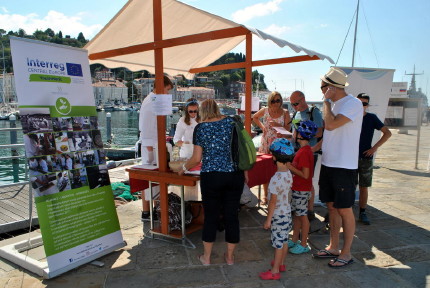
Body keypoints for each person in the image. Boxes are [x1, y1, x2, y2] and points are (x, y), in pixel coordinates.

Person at [178, 99, 245, 266]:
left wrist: (183, 168)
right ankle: (230, 257)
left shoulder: (201, 128)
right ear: (217, 108)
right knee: (231, 216)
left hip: (211, 176)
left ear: (201, 112)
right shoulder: (231, 122)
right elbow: (240, 149)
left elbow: (196, 158)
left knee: (211, 217)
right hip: (233, 175)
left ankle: (206, 258)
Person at [313, 67, 363, 268]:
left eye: (322, 87)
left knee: (344, 209)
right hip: (329, 163)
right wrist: (315, 148)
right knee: (332, 207)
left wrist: (325, 102)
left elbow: (332, 125)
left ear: (331, 88)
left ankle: (347, 252)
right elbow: (330, 133)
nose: (321, 90)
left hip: (344, 166)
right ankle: (333, 246)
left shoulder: (353, 103)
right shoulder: (334, 104)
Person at [259, 138, 294, 280]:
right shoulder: (288, 174)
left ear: (274, 157)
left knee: (278, 244)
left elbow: (272, 202)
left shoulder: (275, 178)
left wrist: (268, 220)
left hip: (278, 216)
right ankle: (281, 264)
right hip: (286, 213)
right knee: (284, 240)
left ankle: (274, 271)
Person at [139, 76, 173, 221]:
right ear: (160, 87)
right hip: (150, 146)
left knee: (153, 182)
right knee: (150, 181)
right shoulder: (151, 101)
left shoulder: (153, 100)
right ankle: (148, 212)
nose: (168, 93)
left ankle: (152, 211)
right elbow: (145, 127)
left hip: (153, 144)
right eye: (167, 89)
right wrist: (151, 150)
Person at [356, 93, 392, 225]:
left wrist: (374, 148)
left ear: (367, 105)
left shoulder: (371, 118)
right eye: (359, 103)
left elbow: (387, 133)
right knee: (348, 186)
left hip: (365, 158)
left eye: (364, 104)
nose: (361, 106)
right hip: (349, 158)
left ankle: (362, 212)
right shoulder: (350, 117)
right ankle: (344, 211)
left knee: (364, 186)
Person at [289, 90, 324, 220]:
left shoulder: (314, 112)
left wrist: (304, 133)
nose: (294, 106)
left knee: (307, 180)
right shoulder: (296, 113)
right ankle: (297, 207)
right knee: (297, 179)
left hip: (309, 151)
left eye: (296, 103)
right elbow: (294, 134)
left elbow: (320, 132)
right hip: (296, 150)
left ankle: (310, 210)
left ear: (303, 99)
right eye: (292, 104)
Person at [252, 91, 291, 204]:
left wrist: (279, 127)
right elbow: (255, 117)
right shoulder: (265, 110)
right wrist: (263, 127)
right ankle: (266, 196)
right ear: (270, 101)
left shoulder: (285, 112)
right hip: (266, 142)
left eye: (278, 100)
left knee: (278, 169)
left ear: (281, 101)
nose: (275, 103)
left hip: (279, 143)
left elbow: (288, 129)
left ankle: (277, 196)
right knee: (266, 169)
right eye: (273, 101)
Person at [287, 120, 317, 254]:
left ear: (300, 135)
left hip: (301, 189)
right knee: (297, 215)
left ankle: (304, 243)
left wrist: (290, 167)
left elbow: (305, 175)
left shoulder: (304, 152)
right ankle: (294, 239)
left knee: (302, 216)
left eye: (296, 131)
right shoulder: (304, 150)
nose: (294, 133)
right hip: (298, 188)